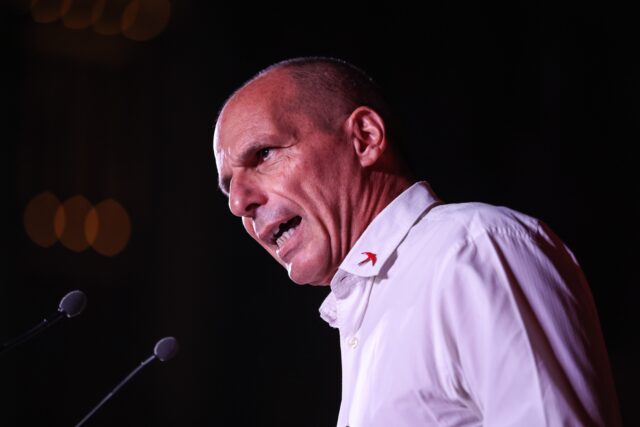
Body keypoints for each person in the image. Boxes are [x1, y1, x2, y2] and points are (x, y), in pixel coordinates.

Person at [212, 57, 621, 426]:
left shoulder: (473, 249)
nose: (238, 203)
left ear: (365, 138)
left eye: (264, 154)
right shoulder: (366, 309)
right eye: (229, 187)